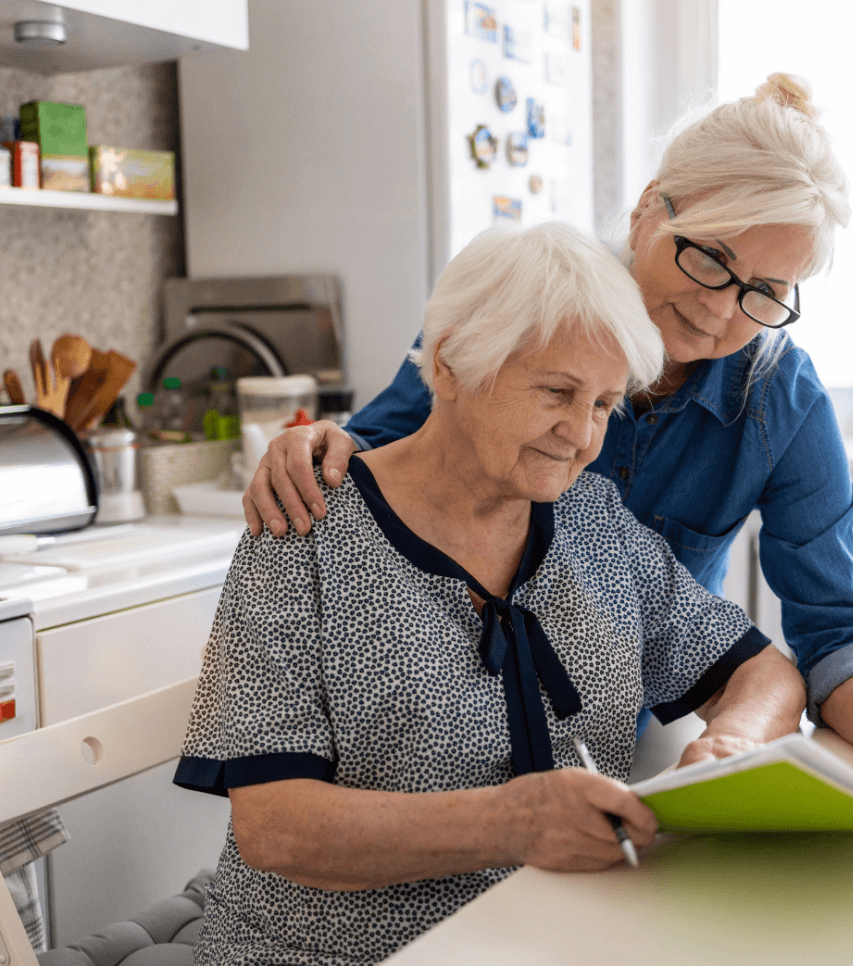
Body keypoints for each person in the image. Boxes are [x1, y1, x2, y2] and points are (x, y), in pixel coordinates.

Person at [243, 74, 853, 774]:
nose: (722, 309)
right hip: (427, 746)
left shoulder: (778, 397)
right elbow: (378, 457)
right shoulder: (526, 307)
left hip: (609, 742)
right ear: (647, 209)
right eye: (709, 258)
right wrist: (315, 445)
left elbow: (839, 625)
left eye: (765, 291)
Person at [173, 222, 809, 966]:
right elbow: (276, 827)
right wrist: (511, 822)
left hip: (555, 940)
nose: (580, 435)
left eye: (605, 405)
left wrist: (727, 746)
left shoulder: (592, 521)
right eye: (557, 392)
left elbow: (763, 673)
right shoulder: (306, 526)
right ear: (450, 365)